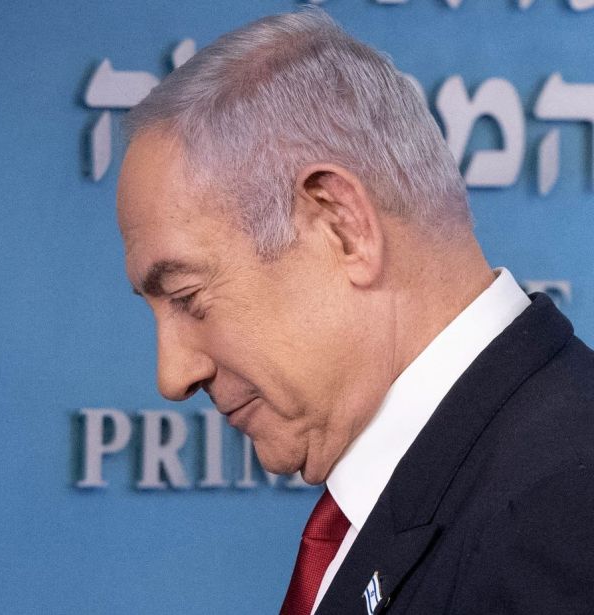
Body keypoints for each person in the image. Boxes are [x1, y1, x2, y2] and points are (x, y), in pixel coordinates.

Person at [116, 8, 594, 615]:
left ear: (342, 228)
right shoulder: (488, 487)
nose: (172, 376)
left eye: (188, 298)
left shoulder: (562, 514)